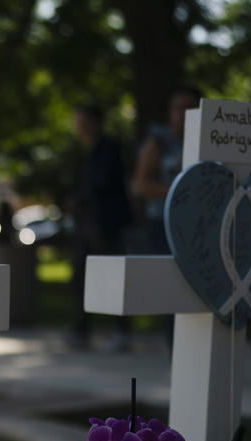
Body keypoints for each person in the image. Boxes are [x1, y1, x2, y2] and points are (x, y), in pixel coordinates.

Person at [69, 103, 133, 349]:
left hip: (105, 224)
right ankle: (82, 329)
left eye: (85, 123)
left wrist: (80, 198)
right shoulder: (92, 152)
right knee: (82, 276)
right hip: (90, 224)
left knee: (110, 276)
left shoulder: (108, 149)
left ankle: (120, 331)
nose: (81, 129)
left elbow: (103, 183)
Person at [131, 85, 202, 254]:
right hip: (162, 223)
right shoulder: (158, 143)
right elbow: (139, 186)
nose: (184, 114)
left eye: (190, 108)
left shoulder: (208, 142)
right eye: (178, 108)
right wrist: (183, 191)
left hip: (199, 222)